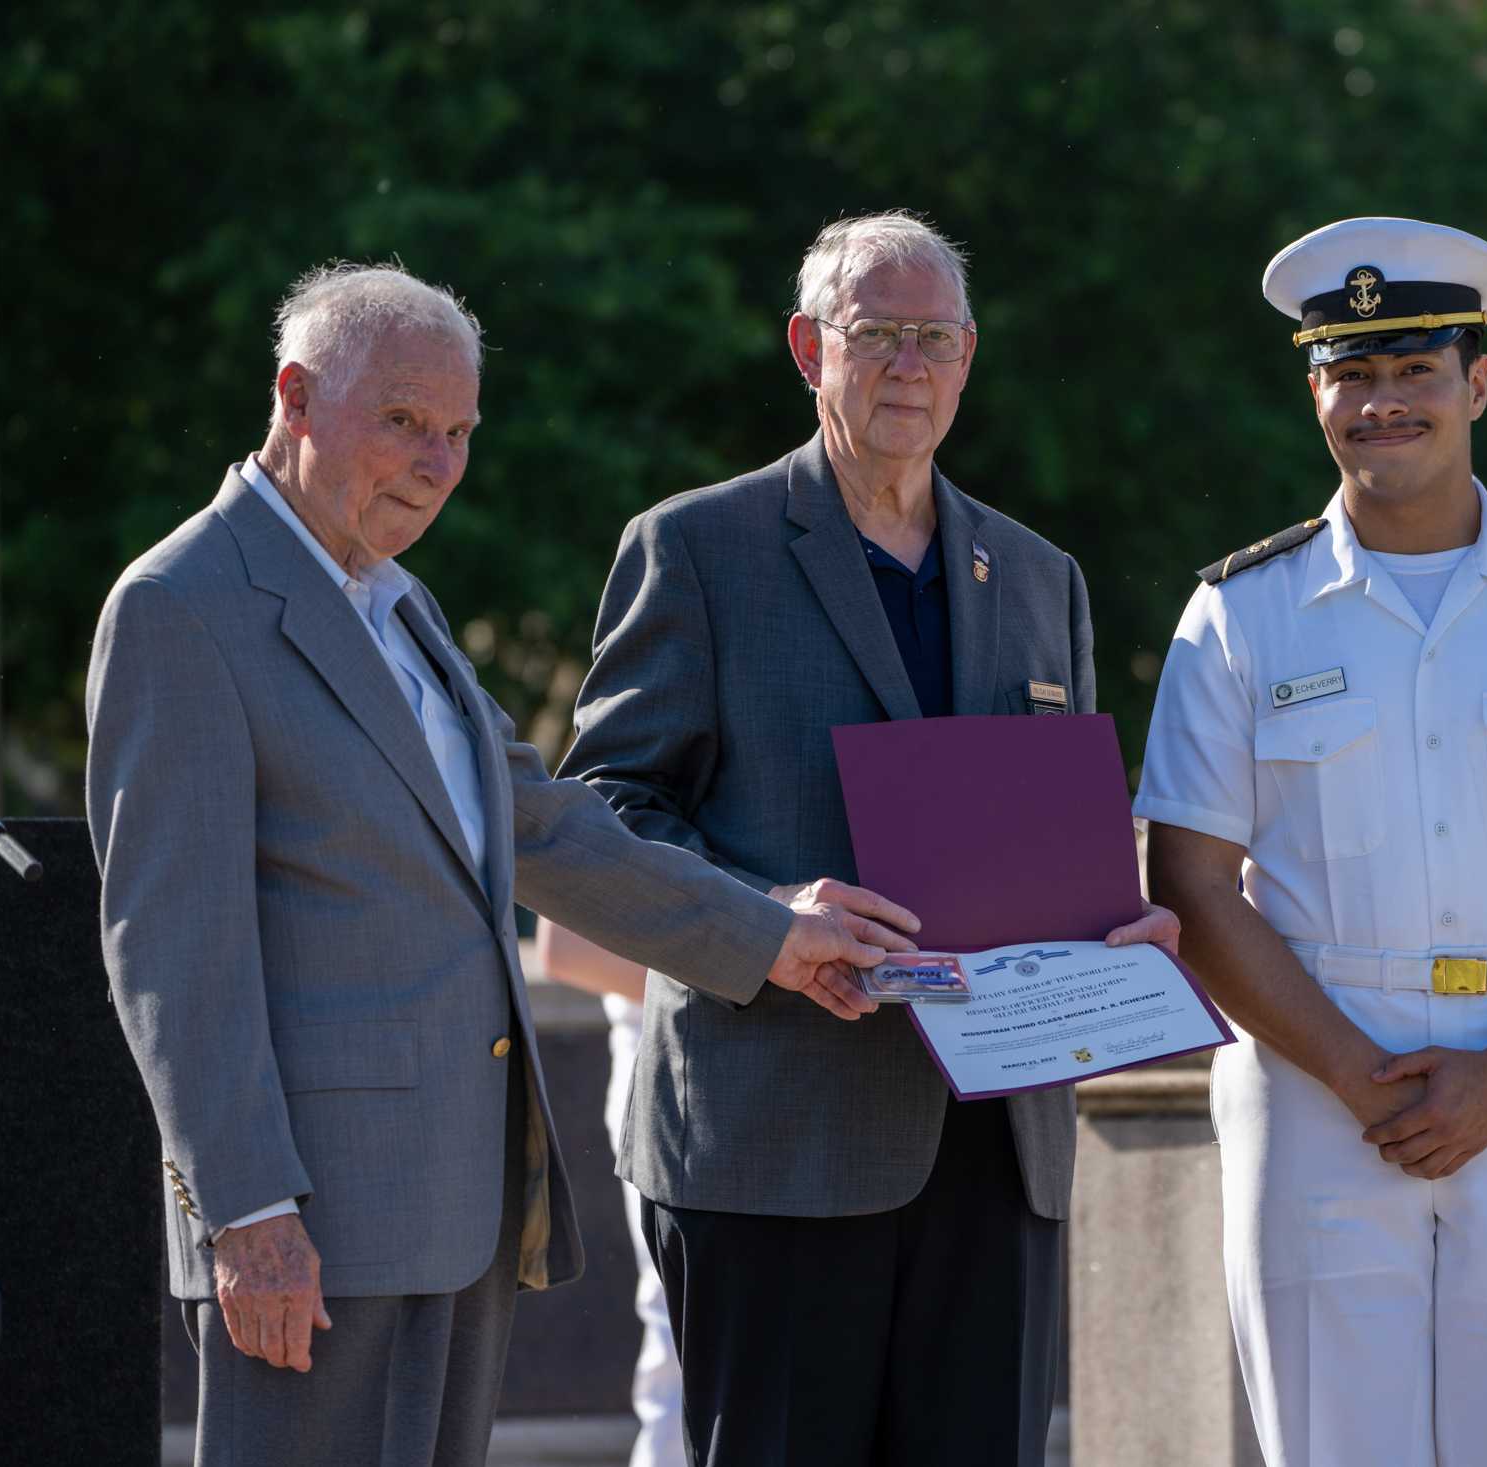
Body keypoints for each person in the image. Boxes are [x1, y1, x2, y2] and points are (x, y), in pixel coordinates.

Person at [84, 261, 899, 1467]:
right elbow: (171, 951)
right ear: (295, 399)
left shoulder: (399, 604)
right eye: (404, 422)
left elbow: (550, 830)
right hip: (310, 1229)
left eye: (459, 432)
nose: (437, 463)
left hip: (461, 1208)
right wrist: (247, 1216)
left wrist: (773, 930)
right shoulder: (180, 605)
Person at [557, 210, 1177, 1467]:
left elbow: (1059, 826)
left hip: (994, 1142)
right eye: (876, 334)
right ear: (807, 349)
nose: (909, 366)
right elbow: (601, 818)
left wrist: (1123, 933)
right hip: (775, 1138)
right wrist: (766, 916)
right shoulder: (696, 549)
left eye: (935, 340)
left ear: (968, 359)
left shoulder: (1039, 573)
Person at [1136, 217, 1487, 1467]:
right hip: (1314, 1087)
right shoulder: (1238, 614)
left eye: (1415, 370)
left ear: (1477, 383)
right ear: (1314, 392)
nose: (1381, 402)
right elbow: (1188, 876)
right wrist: (1351, 1071)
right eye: (1351, 371)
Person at [532, 919, 685, 1467]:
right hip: (678, 1079)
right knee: (685, 1341)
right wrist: (769, 971)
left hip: (814, 1082)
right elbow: (568, 949)